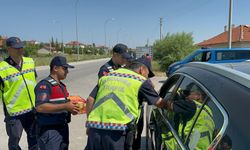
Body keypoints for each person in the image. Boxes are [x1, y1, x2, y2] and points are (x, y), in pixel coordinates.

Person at [85, 57, 168, 150]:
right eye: (148, 74)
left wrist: (89, 123)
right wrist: (177, 105)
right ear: (142, 69)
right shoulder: (140, 81)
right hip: (118, 134)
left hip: (95, 128)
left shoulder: (108, 76)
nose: (147, 77)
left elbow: (90, 100)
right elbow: (159, 102)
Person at [34, 56, 80, 150]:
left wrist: (71, 109)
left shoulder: (61, 86)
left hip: (62, 128)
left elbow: (61, 106)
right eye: (64, 68)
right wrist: (65, 106)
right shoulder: (45, 85)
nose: (67, 71)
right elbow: (40, 107)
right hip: (50, 131)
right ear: (55, 68)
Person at [0, 37, 38, 150]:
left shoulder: (30, 62)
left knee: (34, 138)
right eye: (16, 48)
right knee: (14, 141)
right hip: (14, 113)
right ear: (9, 49)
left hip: (32, 109)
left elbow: (34, 80)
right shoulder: (2, 68)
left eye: (21, 47)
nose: (20, 50)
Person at [164, 85, 215, 150]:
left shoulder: (192, 106)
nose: (186, 97)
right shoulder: (209, 112)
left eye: (187, 93)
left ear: (198, 96)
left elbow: (164, 104)